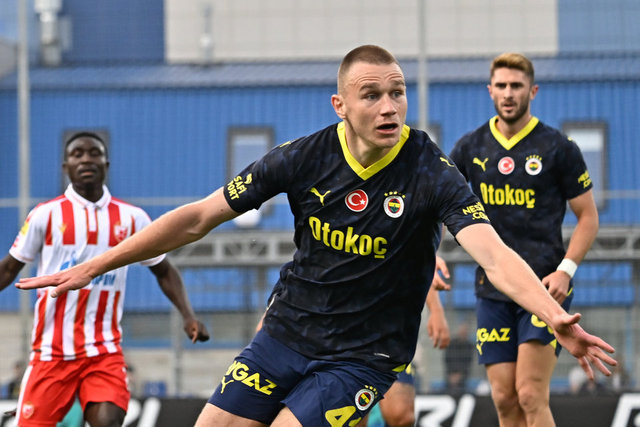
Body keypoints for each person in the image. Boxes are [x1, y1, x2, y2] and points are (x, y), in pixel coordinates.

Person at [16, 45, 616, 427]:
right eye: (371, 95)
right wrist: (98, 263)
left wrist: (553, 314)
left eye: (397, 92)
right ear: (340, 105)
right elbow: (199, 217)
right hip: (285, 336)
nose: (389, 106)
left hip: (363, 356)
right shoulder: (302, 157)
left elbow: (495, 255)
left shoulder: (432, 170)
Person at [0, 132, 210, 427]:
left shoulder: (133, 218)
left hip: (103, 351)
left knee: (108, 421)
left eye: (94, 153)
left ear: (106, 164)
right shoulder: (45, 215)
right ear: (66, 166)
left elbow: (163, 269)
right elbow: (9, 268)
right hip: (51, 352)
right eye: (77, 154)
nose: (86, 159)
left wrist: (188, 315)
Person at [448, 52, 601, 426]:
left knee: (530, 393)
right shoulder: (470, 147)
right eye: (501, 85)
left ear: (533, 91)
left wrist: (566, 270)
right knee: (504, 398)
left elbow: (588, 217)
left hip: (545, 287)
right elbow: (440, 204)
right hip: (492, 289)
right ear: (490, 90)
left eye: (516, 86)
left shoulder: (558, 148)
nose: (508, 93)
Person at [443, 322, 474, 394]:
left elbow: (468, 363)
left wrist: (459, 375)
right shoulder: (451, 344)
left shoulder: (469, 346)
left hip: (463, 376)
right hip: (450, 374)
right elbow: (447, 359)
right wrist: (451, 374)